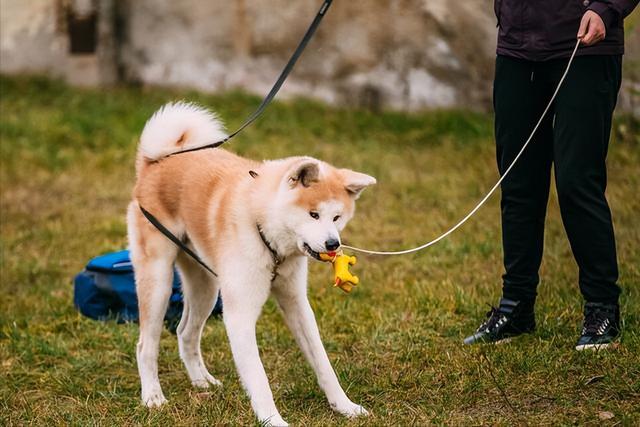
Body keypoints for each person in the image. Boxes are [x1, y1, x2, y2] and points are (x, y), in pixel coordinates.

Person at [463, 0, 638, 350]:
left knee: (577, 182)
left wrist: (607, 8)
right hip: (517, 46)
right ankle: (516, 308)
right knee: (518, 182)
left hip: (584, 46)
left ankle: (602, 307)